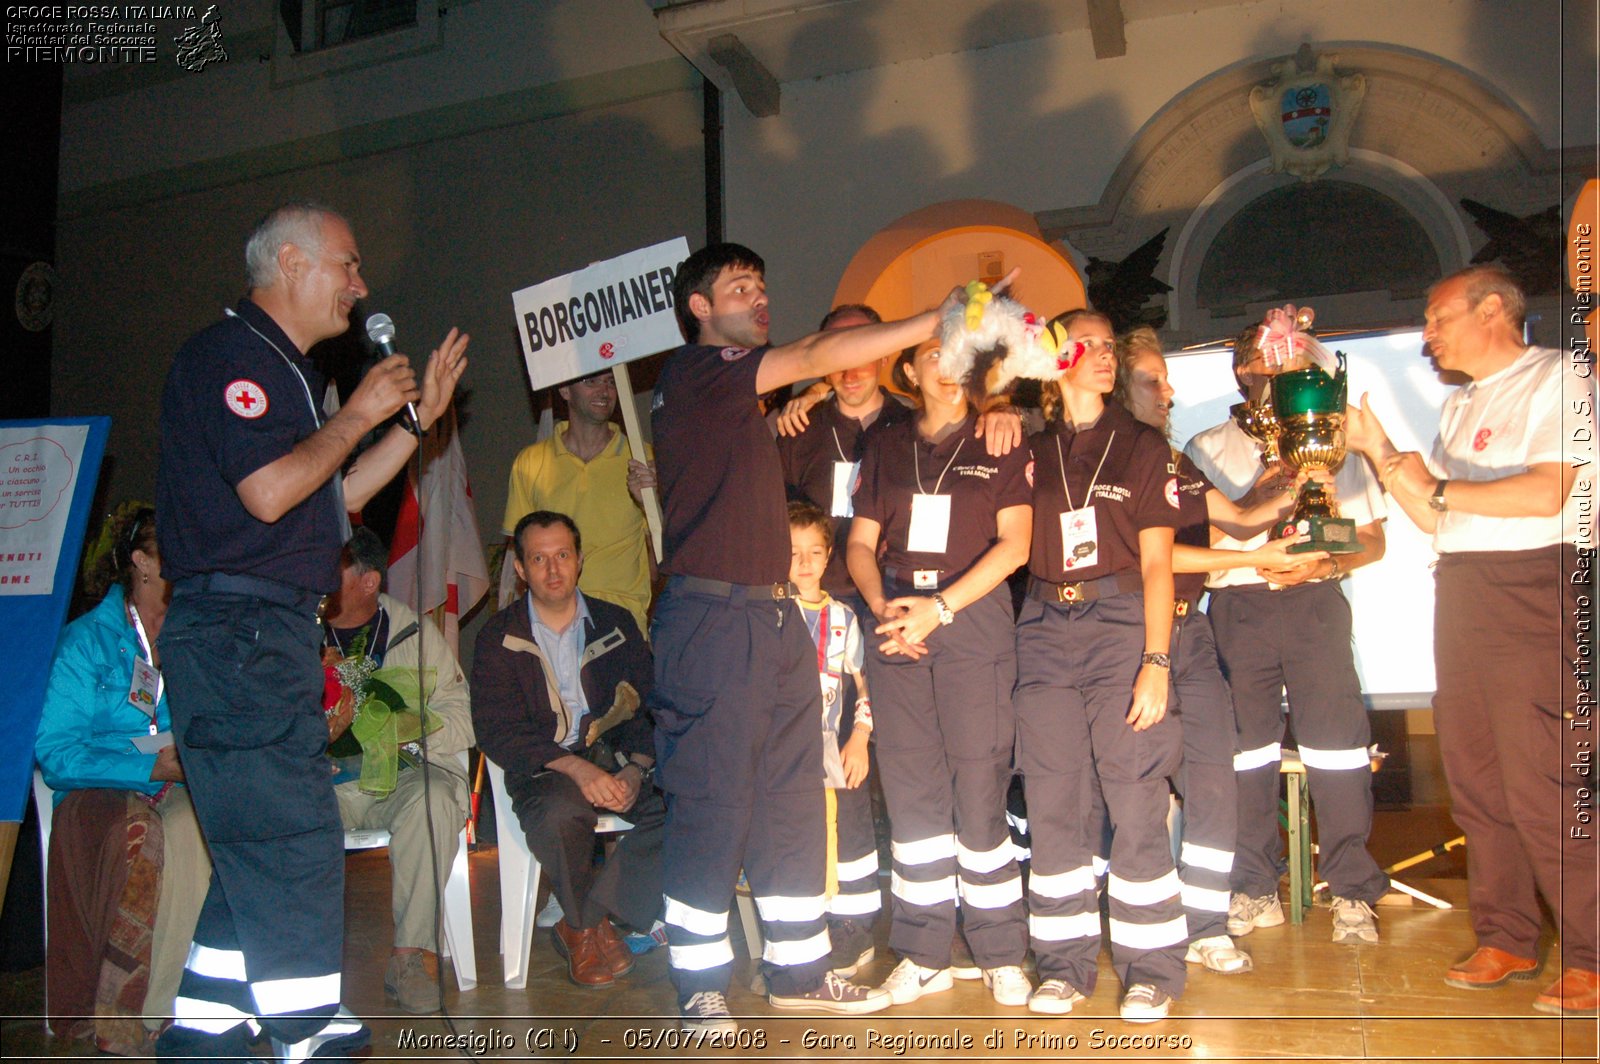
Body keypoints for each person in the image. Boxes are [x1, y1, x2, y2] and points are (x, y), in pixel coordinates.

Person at [154, 201, 467, 1060]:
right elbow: (267, 491)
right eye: (349, 266)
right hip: (236, 634)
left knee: (262, 845)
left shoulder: (286, 374)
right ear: (290, 263)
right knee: (292, 840)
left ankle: (205, 1036)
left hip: (267, 636)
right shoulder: (230, 359)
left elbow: (339, 495)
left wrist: (413, 422)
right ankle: (307, 1032)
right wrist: (362, 410)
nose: (362, 288)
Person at [649, 242, 969, 1031]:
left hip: (777, 616)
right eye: (738, 287)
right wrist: (935, 318)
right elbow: (820, 351)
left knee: (795, 801)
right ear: (698, 307)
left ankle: (799, 969)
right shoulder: (695, 372)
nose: (759, 298)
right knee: (714, 803)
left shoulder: (742, 402)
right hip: (713, 620)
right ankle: (699, 982)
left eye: (763, 285)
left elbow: (815, 368)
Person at [1345, 264, 1598, 1014]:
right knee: (1479, 781)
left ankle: (1590, 955)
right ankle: (1508, 934)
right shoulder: (1460, 408)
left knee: (1545, 781)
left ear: (1493, 308)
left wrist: (1441, 489)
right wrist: (1375, 446)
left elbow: (1548, 490)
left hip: (1540, 587)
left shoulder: (1559, 377)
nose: (1426, 334)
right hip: (1463, 591)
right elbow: (1436, 519)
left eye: (1435, 317)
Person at [1114, 328, 1325, 975]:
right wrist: (1255, 555)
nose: (1169, 389)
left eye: (1166, 377)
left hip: (1194, 633)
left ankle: (1206, 926)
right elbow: (1156, 555)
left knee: (1215, 780)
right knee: (1140, 790)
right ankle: (1146, 932)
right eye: (1153, 379)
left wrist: (1294, 480)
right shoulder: (1111, 462)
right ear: (1118, 389)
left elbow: (1237, 515)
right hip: (1133, 640)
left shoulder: (1172, 460)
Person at [1184, 318, 1390, 948]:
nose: (1277, 375)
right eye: (1264, 364)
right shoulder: (1203, 447)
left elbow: (1373, 540)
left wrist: (1326, 560)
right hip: (1238, 610)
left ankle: (1352, 891)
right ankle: (1252, 885)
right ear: (1241, 372)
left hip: (1313, 603)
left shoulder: (1332, 439)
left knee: (1337, 747)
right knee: (1243, 754)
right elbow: (1206, 540)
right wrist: (1271, 485)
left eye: (1291, 363)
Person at [846, 336, 1033, 1009]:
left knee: (979, 783)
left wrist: (942, 608)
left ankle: (1000, 950)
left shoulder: (1000, 437)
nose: (948, 366)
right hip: (895, 612)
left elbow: (1017, 546)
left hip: (971, 612)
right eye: (933, 355)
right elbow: (861, 543)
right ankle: (924, 952)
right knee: (911, 789)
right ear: (910, 371)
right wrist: (881, 609)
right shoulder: (886, 445)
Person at [1014, 309, 1186, 1022]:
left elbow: (1157, 564)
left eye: (1112, 346)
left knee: (1135, 793)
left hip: (1120, 624)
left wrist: (1156, 659)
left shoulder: (1142, 445)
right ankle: (1063, 965)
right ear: (1056, 360)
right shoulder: (1028, 444)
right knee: (1054, 799)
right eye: (1089, 345)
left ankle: (1152, 971)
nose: (1106, 356)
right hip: (1044, 625)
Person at [34, 504, 212, 1055]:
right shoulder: (85, 642)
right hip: (97, 792)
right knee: (141, 833)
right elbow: (55, 751)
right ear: (141, 561)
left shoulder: (196, 632)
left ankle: (156, 1008)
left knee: (198, 832)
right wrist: (145, 765)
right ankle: (112, 1007)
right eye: (174, 548)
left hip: (176, 784)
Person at [472, 510, 664, 989]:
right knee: (560, 815)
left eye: (562, 555)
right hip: (544, 764)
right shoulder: (498, 637)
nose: (553, 569)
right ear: (519, 568)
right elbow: (497, 729)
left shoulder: (615, 624)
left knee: (688, 803)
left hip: (616, 755)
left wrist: (637, 770)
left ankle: (584, 916)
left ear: (580, 560)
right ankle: (586, 929)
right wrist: (576, 769)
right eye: (539, 558)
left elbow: (651, 708)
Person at [319, 527, 473, 1014]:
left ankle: (409, 959)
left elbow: (463, 717)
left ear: (369, 582)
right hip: (322, 783)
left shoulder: (413, 633)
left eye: (333, 569)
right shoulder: (296, 628)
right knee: (281, 811)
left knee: (435, 800)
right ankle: (301, 966)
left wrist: (408, 726)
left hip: (403, 776)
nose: (317, 578)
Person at [787, 501, 880, 976]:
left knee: (849, 828)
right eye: (793, 552)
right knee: (796, 837)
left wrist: (860, 736)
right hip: (783, 754)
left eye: (814, 553)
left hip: (833, 747)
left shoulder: (843, 617)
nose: (804, 563)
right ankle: (802, 925)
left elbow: (865, 682)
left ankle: (853, 928)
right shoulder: (768, 615)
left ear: (828, 559)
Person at [775, 305, 915, 613]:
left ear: (884, 355)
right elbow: (776, 519)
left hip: (896, 596)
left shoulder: (914, 427)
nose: (849, 374)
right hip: (815, 600)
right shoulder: (798, 428)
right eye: (838, 358)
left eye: (860, 357)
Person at [502, 369, 656, 631]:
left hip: (622, 623)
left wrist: (650, 504)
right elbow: (520, 553)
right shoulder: (531, 462)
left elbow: (660, 552)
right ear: (564, 390)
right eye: (591, 381)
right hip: (553, 624)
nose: (604, 391)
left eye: (610, 382)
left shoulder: (641, 457)